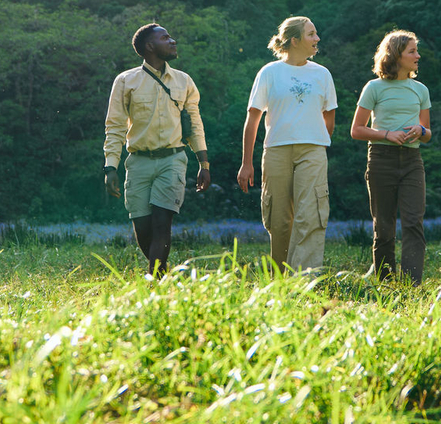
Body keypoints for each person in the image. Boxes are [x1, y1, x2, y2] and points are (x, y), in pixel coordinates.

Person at [102, 23, 211, 276]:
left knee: (163, 222)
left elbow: (194, 124)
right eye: (165, 38)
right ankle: (162, 274)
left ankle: (155, 280)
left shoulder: (184, 81)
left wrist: (203, 164)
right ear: (150, 46)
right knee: (142, 226)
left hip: (173, 159)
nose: (173, 41)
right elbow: (114, 126)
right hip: (138, 161)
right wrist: (110, 167)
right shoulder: (126, 81)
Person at [237, 16, 336, 271]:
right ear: (294, 40)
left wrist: (316, 142)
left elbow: (329, 119)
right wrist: (246, 163)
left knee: (310, 215)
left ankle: (303, 279)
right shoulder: (269, 72)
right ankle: (280, 279)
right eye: (311, 34)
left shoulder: (322, 74)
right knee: (279, 220)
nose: (317, 38)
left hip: (312, 150)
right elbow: (253, 119)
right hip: (276, 151)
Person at [350, 30, 431, 284]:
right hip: (380, 159)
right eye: (412, 51)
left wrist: (420, 131)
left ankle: (411, 284)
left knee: (413, 223)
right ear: (396, 55)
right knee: (384, 227)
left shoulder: (420, 90)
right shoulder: (373, 87)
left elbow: (427, 133)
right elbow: (356, 130)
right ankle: (385, 283)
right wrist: (387, 134)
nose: (418, 56)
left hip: (412, 161)